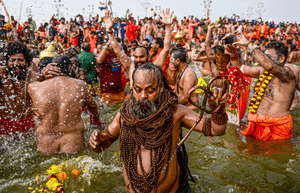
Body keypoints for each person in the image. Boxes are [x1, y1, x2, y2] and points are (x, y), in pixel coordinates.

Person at [89, 62, 228, 193]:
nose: (143, 96)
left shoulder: (176, 113)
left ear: (161, 88)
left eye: (150, 90)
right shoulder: (124, 114)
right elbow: (103, 143)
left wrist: (218, 109)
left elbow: (216, 129)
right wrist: (97, 141)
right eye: (138, 90)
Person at [28, 54, 101, 154]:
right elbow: (92, 107)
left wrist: (42, 75)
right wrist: (96, 115)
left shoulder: (34, 87)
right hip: (73, 144)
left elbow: (23, 106)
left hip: (46, 145)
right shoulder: (80, 85)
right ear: (70, 68)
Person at [234, 31, 296, 141]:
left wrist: (249, 44)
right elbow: (239, 67)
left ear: (281, 59)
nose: (262, 59)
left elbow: (270, 66)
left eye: (267, 57)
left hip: (277, 128)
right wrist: (232, 50)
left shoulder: (288, 74)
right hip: (255, 124)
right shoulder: (262, 71)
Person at [104, 9, 173, 88]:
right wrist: (109, 31)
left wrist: (167, 27)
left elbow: (166, 49)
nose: (138, 60)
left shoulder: (154, 67)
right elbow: (117, 50)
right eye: (136, 57)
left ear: (148, 56)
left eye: (142, 57)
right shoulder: (131, 66)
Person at [0, 42, 41, 135]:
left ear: (26, 61)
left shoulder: (33, 76)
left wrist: (36, 107)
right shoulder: (1, 73)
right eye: (12, 60)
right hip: (3, 124)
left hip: (27, 124)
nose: (16, 64)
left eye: (20, 60)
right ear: (6, 61)